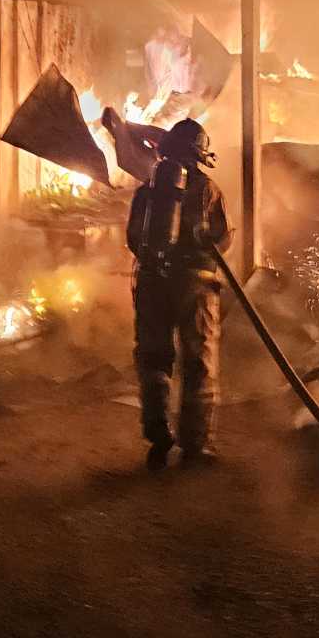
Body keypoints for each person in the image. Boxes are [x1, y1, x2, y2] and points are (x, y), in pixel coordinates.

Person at [125, 118, 231, 469]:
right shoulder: (207, 189)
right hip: (195, 286)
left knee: (154, 359)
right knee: (198, 362)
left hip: (152, 282)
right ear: (200, 154)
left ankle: (157, 434)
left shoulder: (148, 190)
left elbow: (133, 239)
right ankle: (196, 444)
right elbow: (222, 238)